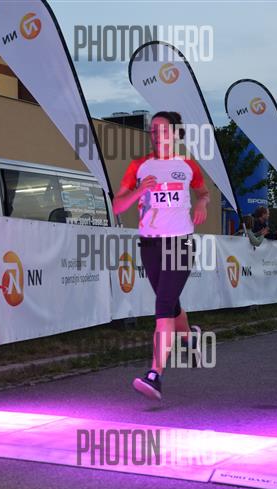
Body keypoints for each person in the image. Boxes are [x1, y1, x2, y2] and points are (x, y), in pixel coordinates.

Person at [113, 111, 210, 400]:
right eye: (152, 130)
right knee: (171, 303)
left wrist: (201, 204)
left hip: (180, 244)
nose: (156, 135)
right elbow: (118, 206)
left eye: (162, 130)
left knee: (163, 305)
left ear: (175, 134)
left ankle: (155, 375)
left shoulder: (187, 165)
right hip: (150, 246)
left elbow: (204, 192)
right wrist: (139, 190)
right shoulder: (139, 165)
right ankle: (190, 337)